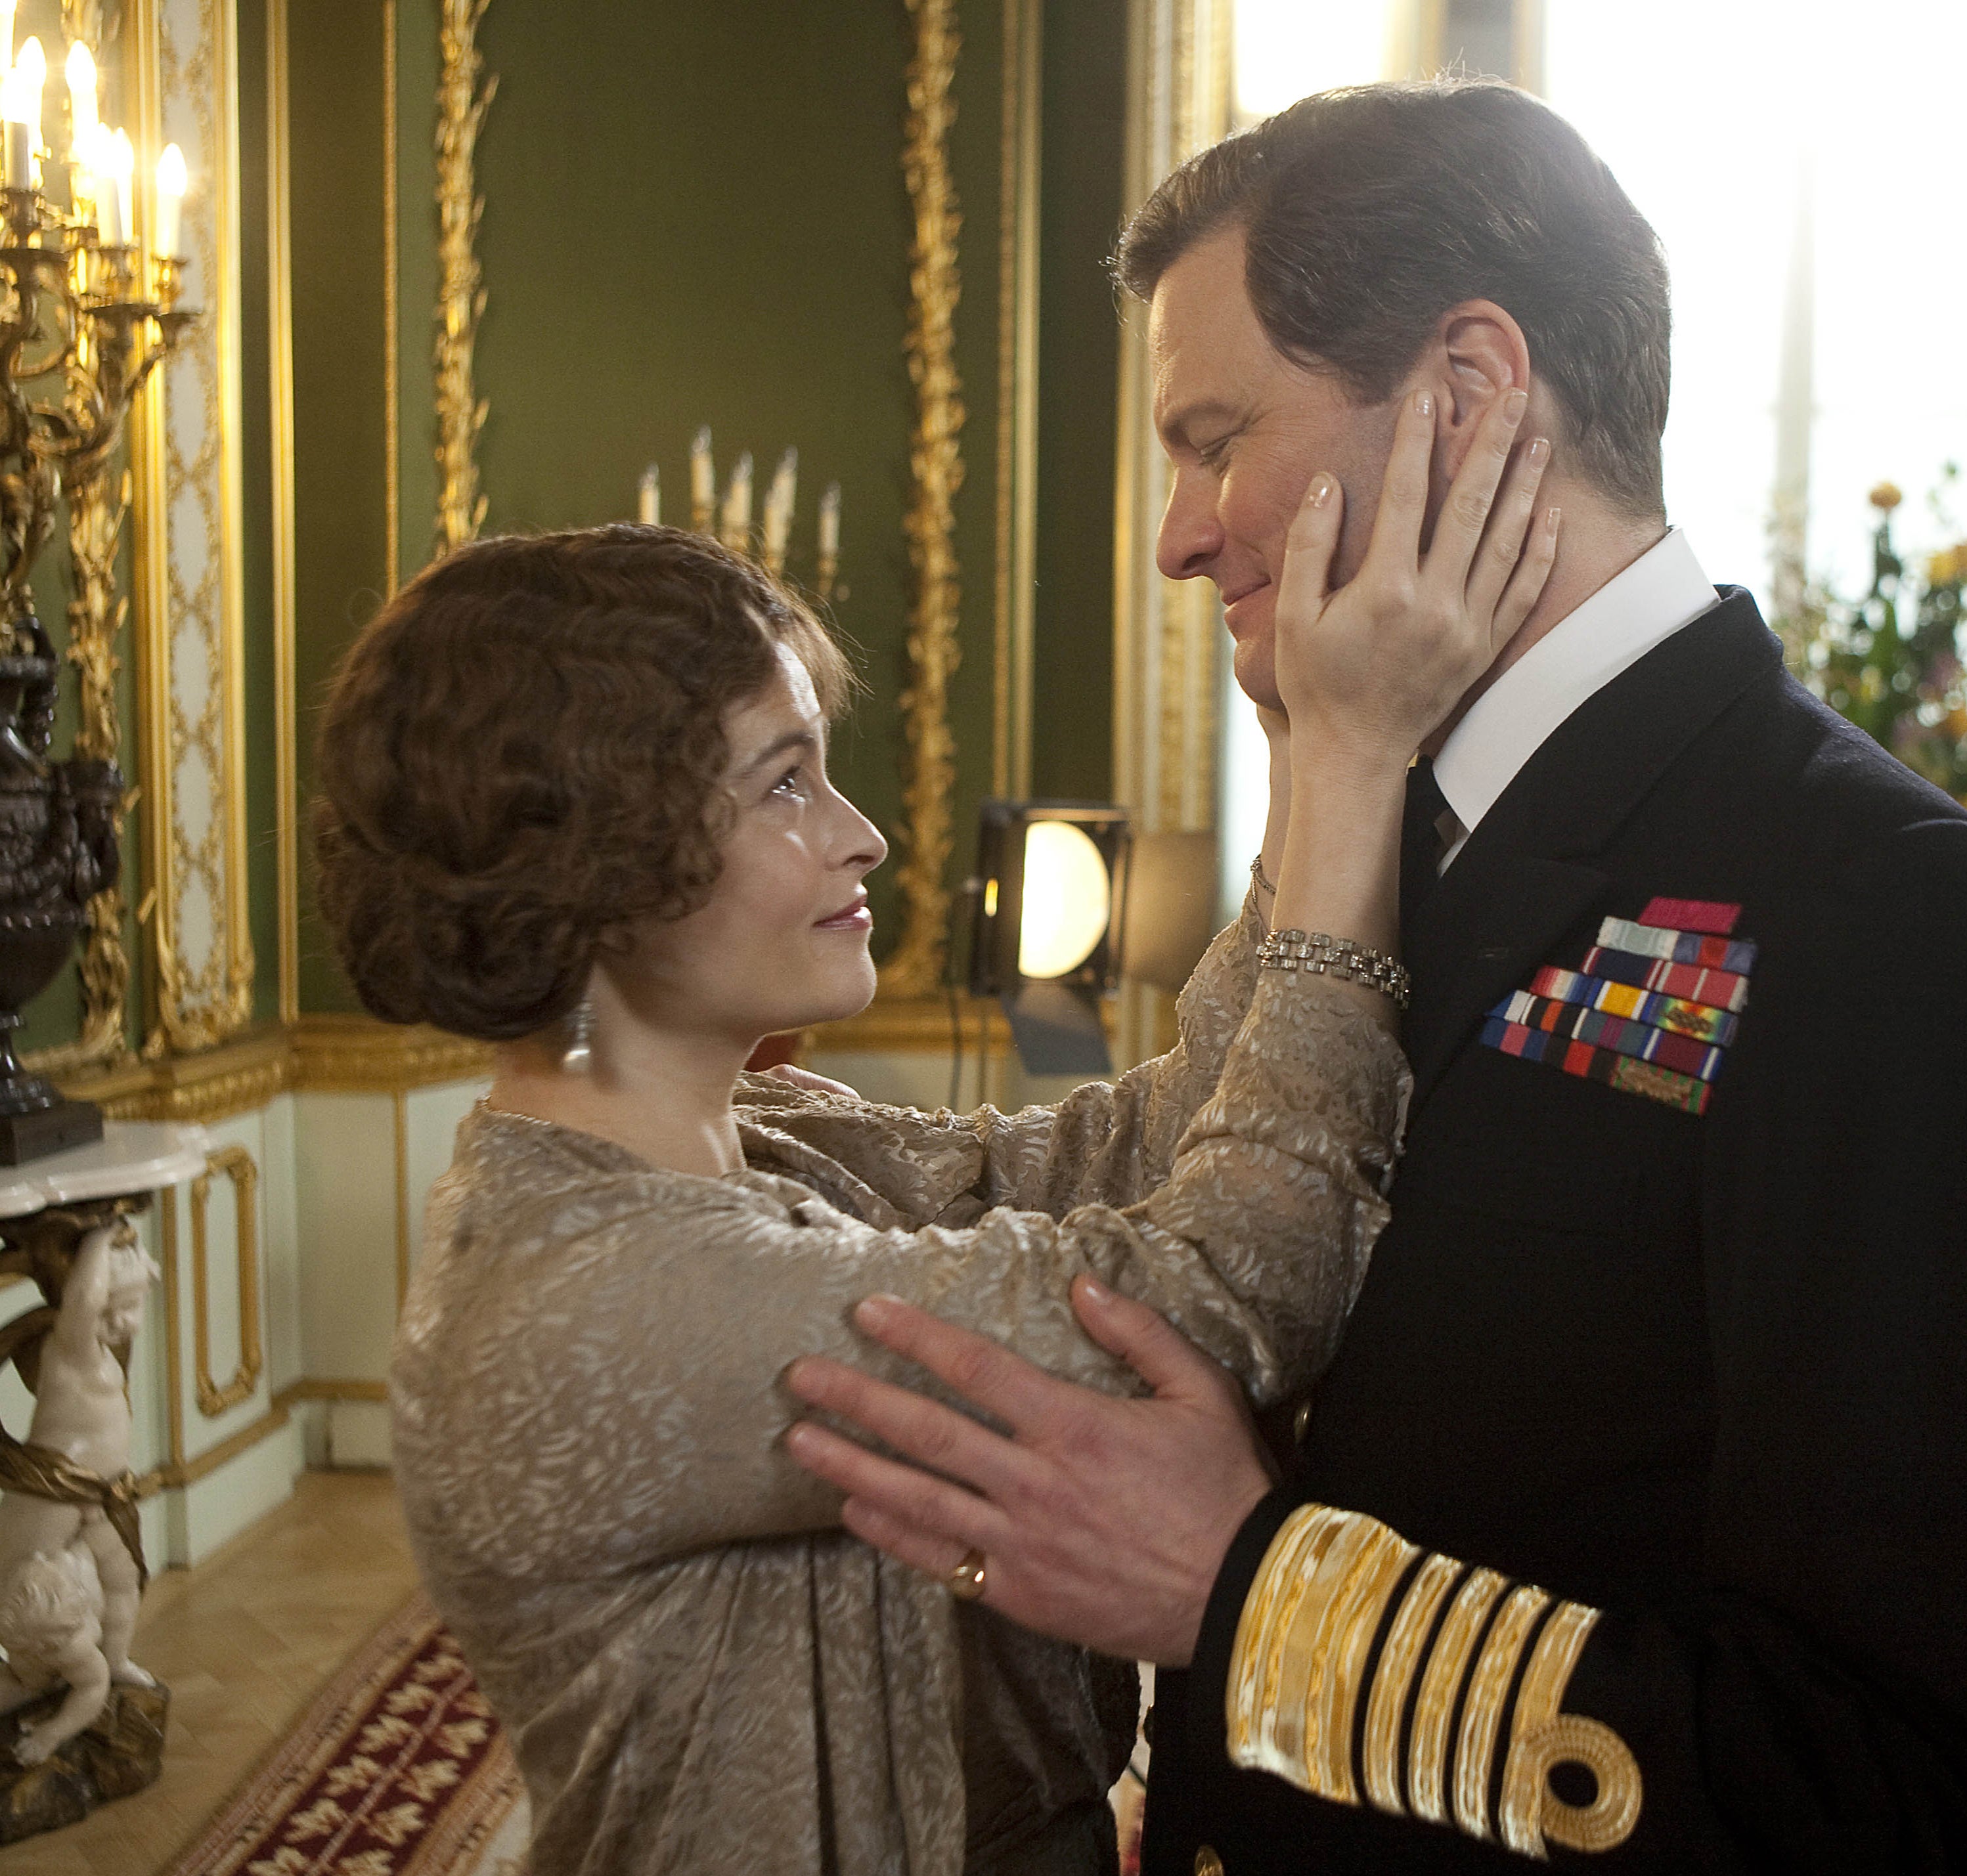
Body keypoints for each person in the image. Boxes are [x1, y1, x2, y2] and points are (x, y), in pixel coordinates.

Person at [782, 79, 1967, 1875]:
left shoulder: (1889, 919)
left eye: (1212, 437)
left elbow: (1940, 1803)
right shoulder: (1372, 834)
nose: (1177, 533)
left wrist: (1250, 1593)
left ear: (1471, 393)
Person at [315, 481, 1555, 1876]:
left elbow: (1129, 1151)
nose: (863, 834)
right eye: (784, 780)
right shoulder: (600, 1301)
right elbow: (1214, 1285)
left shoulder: (765, 1133)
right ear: (601, 862)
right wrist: (1350, 764)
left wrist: (1291, 750)